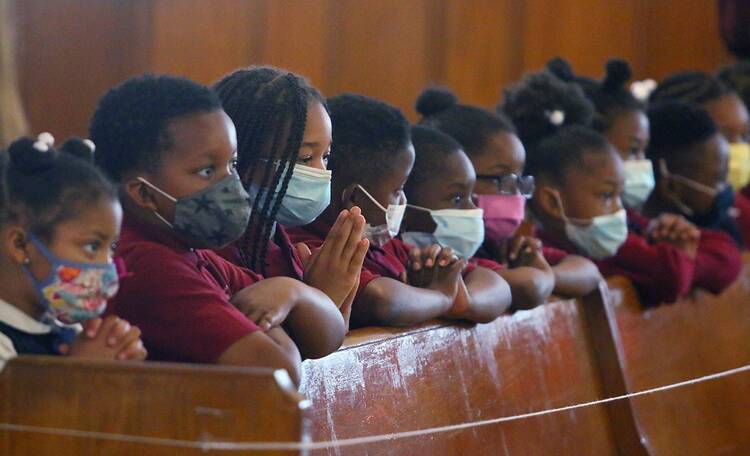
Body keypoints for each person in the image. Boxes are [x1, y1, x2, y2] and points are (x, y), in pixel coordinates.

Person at [90, 74, 346, 384]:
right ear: (143, 193)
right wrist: (278, 320)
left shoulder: (191, 253)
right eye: (207, 170)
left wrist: (291, 291)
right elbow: (281, 372)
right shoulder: (148, 265)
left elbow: (329, 335)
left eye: (232, 165)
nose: (229, 185)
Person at [289, 94, 510, 326]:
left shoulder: (387, 248)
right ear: (354, 198)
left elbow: (497, 285)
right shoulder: (313, 248)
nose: (403, 199)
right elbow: (384, 301)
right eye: (398, 188)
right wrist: (442, 297)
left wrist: (465, 303)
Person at [214, 66, 368, 328]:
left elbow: (333, 343)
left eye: (326, 157)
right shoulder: (218, 251)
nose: (321, 172)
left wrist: (337, 295)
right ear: (242, 157)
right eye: (305, 158)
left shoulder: (282, 247)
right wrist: (319, 298)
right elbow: (263, 355)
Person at [416, 87, 601, 301]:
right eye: (501, 179)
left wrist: (545, 273)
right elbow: (530, 285)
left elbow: (589, 272)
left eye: (519, 179)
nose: (515, 194)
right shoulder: (432, 255)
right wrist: (540, 276)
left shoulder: (500, 246)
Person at [528, 126, 741, 306]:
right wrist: (682, 256)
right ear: (552, 203)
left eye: (619, 195)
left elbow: (728, 257)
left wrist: (684, 250)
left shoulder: (621, 232)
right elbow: (672, 277)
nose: (619, 209)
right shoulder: (555, 253)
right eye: (606, 195)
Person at [0, 134, 146, 370]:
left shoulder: (69, 332)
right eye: (92, 246)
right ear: (20, 244)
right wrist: (80, 373)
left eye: (111, 248)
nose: (107, 266)